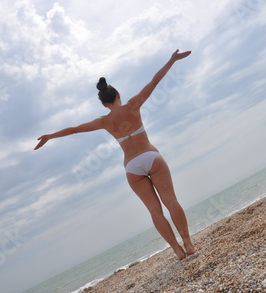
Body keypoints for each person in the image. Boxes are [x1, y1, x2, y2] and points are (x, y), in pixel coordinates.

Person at [34, 49, 196, 260]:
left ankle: (177, 250)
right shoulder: (134, 105)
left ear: (103, 104)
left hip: (132, 168)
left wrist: (49, 136)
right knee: (170, 201)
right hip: (151, 157)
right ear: (118, 95)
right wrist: (172, 60)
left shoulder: (103, 121)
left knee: (155, 212)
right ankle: (188, 243)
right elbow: (154, 82)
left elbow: (74, 129)